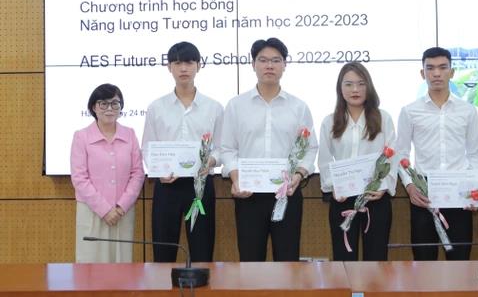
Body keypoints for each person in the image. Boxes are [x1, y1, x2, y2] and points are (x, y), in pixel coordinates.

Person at [219, 37, 318, 261]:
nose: (269, 66)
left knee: (287, 261)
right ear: (253, 64)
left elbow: (310, 148)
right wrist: (236, 179)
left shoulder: (299, 107)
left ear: (285, 65)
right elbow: (227, 148)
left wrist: (298, 175)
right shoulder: (236, 105)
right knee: (251, 261)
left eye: (276, 60)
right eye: (263, 60)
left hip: (287, 194)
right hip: (248, 196)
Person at [396, 47, 478, 260]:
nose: (436, 73)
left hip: (459, 191)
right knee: (424, 261)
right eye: (430, 68)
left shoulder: (468, 110)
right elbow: (401, 154)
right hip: (423, 192)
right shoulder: (409, 111)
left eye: (443, 67)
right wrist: (410, 186)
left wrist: (474, 187)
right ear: (422, 73)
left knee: (459, 260)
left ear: (452, 72)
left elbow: (474, 154)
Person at [142, 42, 224, 263]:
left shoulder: (214, 107)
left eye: (189, 62)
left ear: (199, 65)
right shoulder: (156, 107)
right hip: (167, 185)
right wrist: (158, 170)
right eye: (177, 63)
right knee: (163, 249)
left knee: (202, 249)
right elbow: (148, 147)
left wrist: (211, 161)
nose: (184, 68)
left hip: (200, 185)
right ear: (169, 67)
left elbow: (221, 147)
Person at [318, 62, 396, 261]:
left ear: (369, 87)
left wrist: (383, 186)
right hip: (342, 199)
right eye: (349, 84)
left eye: (361, 84)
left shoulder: (383, 118)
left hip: (375, 198)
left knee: (376, 260)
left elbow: (392, 157)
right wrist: (332, 186)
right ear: (340, 88)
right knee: (344, 259)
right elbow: (325, 161)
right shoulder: (329, 121)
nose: (355, 89)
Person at [70, 83, 145, 263]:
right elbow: (79, 178)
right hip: (92, 212)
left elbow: (137, 173)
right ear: (94, 107)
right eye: (103, 103)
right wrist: (104, 210)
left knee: (121, 263)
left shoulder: (129, 135)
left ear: (121, 107)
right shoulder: (81, 136)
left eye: (115, 103)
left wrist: (121, 207)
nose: (109, 108)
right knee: (91, 265)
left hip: (122, 213)